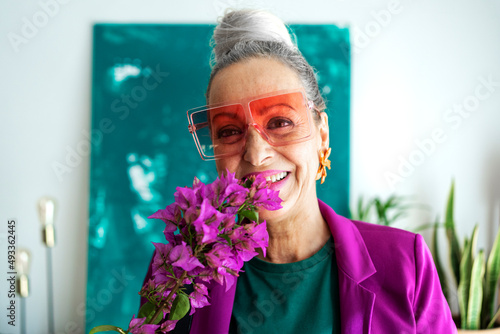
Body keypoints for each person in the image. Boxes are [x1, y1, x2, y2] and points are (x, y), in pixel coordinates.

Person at [142, 9, 456, 334]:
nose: (256, 153)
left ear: (322, 135)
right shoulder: (180, 270)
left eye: (280, 122)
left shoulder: (406, 265)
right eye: (229, 131)